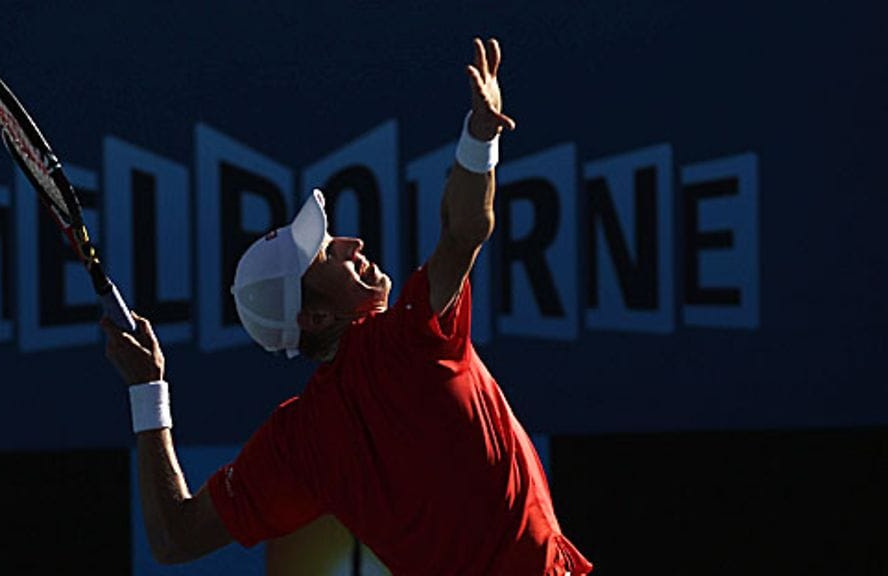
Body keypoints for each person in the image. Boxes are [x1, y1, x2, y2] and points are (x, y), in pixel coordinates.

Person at [102, 37, 593, 576]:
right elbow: (465, 229)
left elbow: (175, 537)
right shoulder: (404, 341)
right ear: (315, 317)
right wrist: (478, 139)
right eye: (325, 253)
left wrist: (148, 387)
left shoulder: (300, 444)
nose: (350, 245)